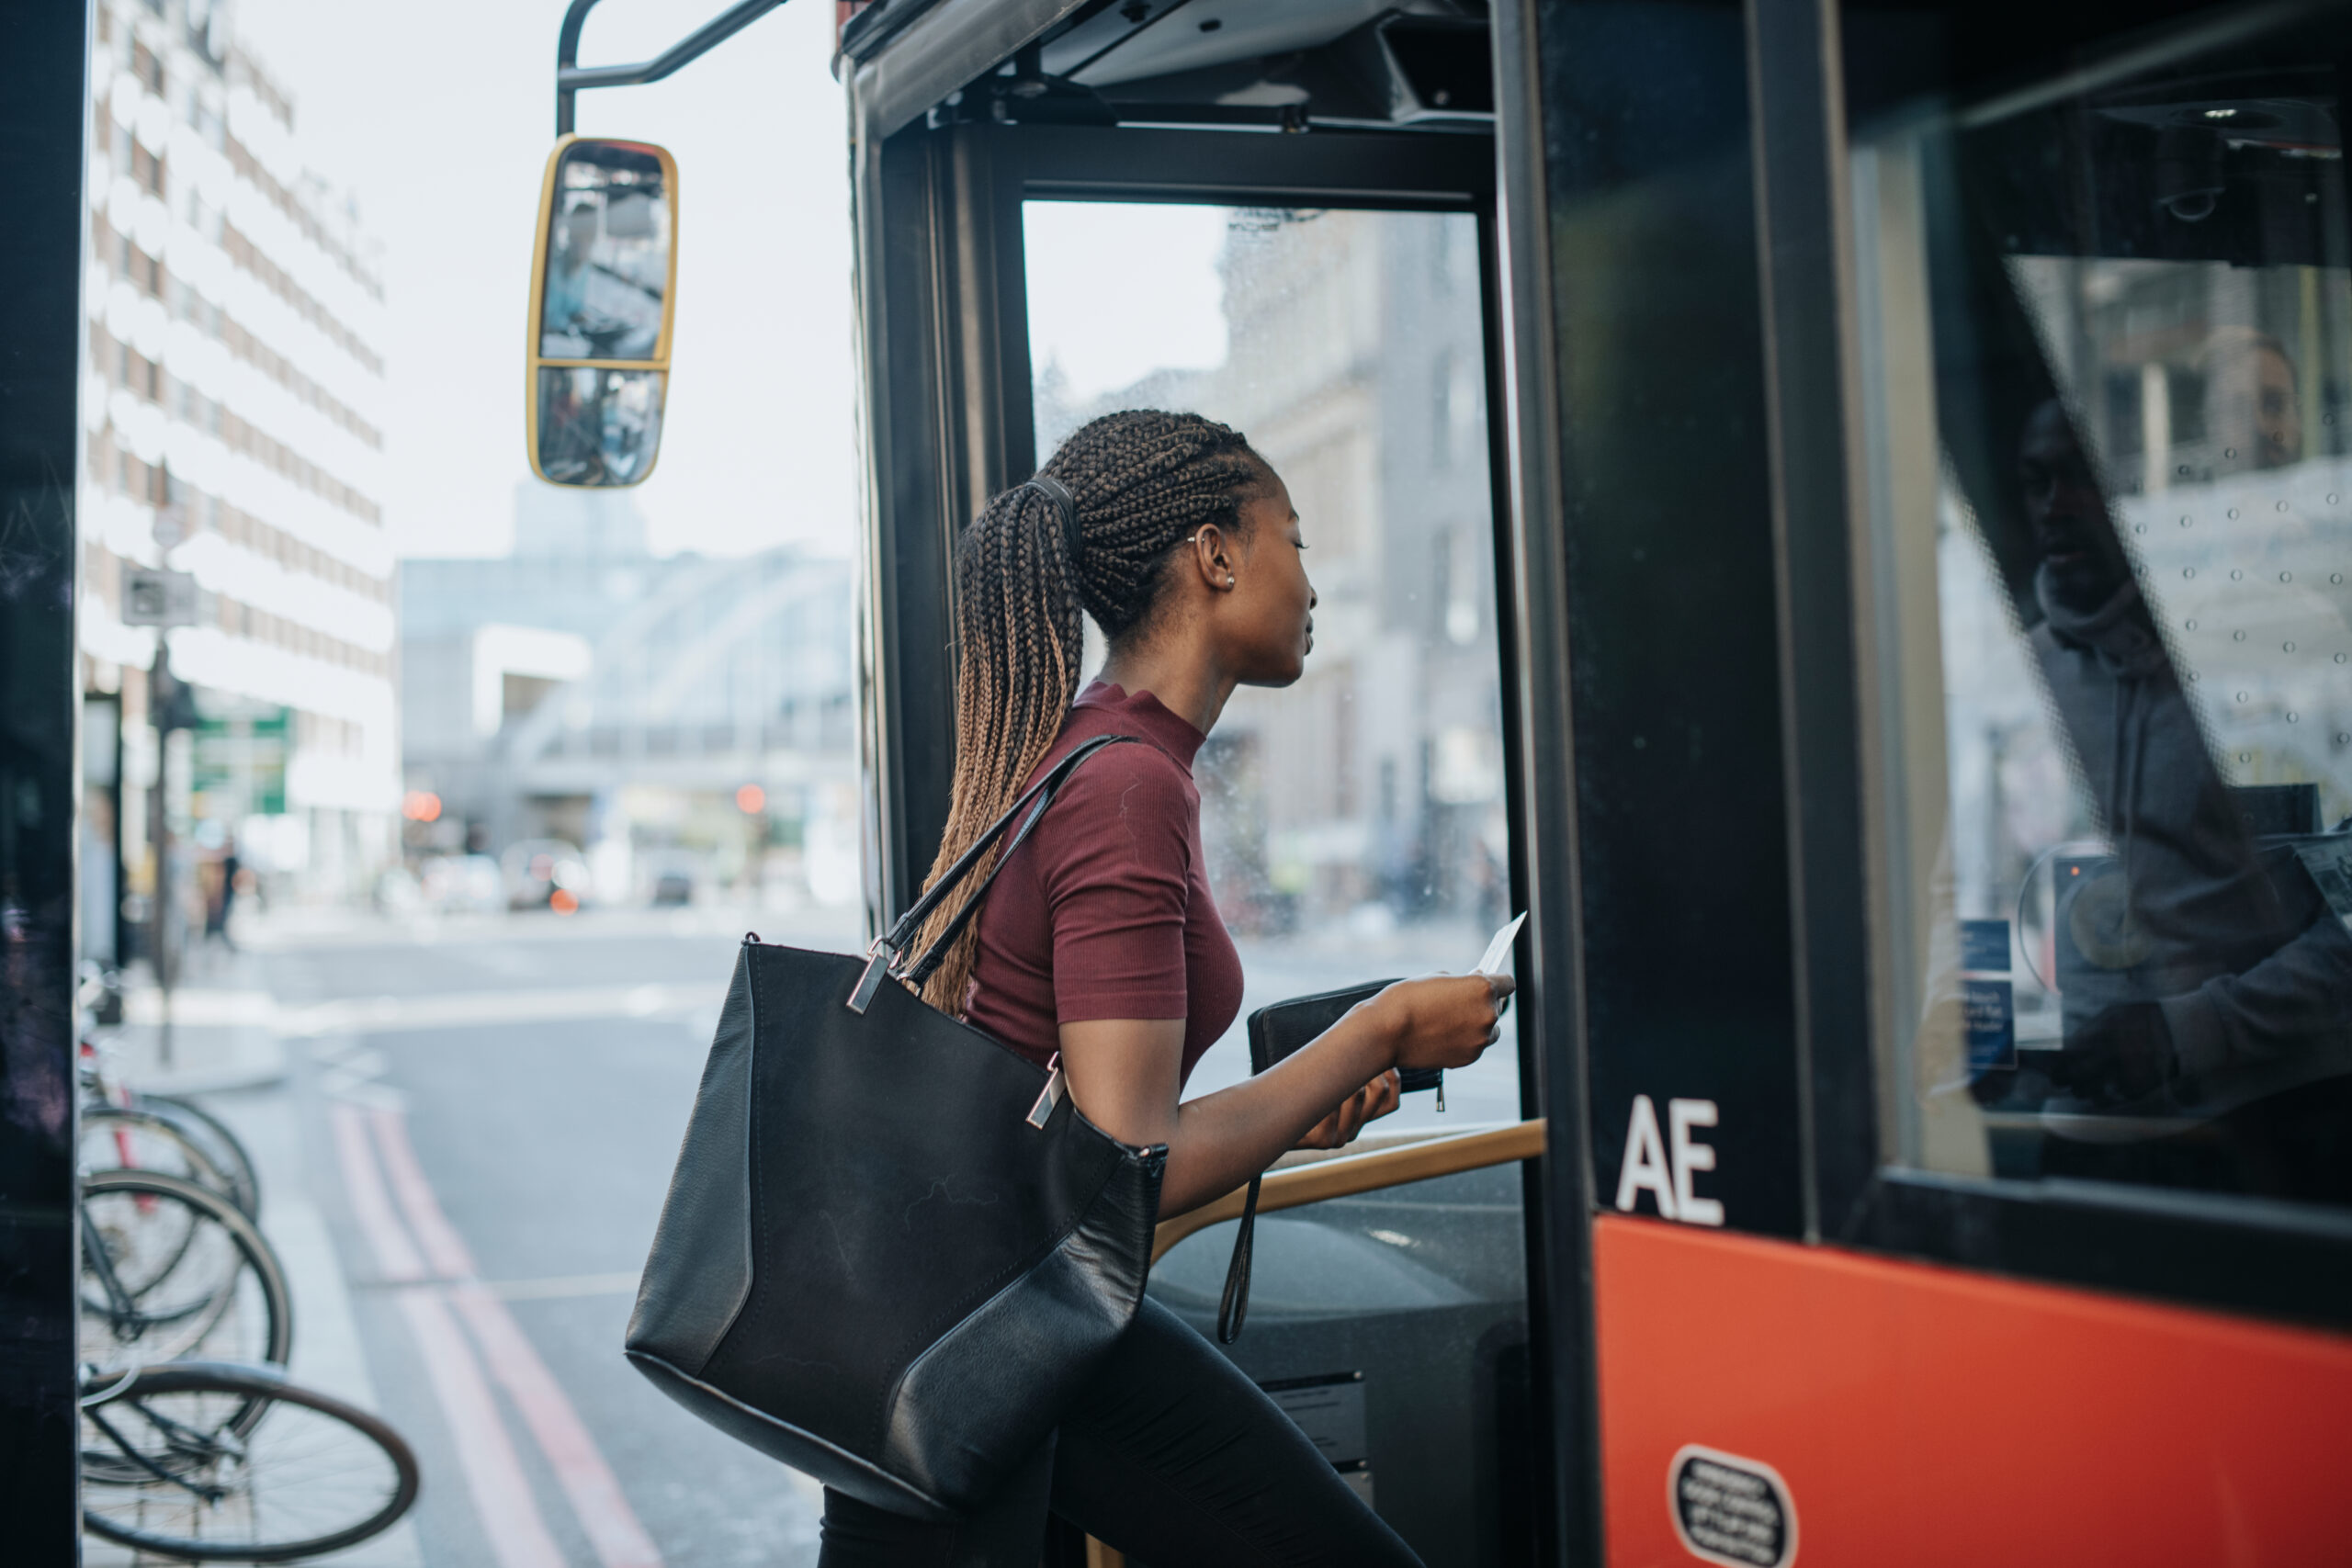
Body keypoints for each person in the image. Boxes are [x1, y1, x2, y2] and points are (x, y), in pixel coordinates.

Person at [818, 410, 1510, 1568]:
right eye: (1293, 537)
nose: (1313, 582)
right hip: (1009, 1328)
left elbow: (1103, 1135)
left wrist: (1298, 1106)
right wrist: (1379, 1026)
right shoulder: (1127, 784)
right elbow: (1130, 1156)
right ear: (1216, 554)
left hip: (987, 1314)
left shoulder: (1102, 752)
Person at [2011, 399, 2352, 1196]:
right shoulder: (2015, 677)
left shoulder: (2287, 655)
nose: (2054, 505)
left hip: (2279, 1131)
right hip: (2078, 1141)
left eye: (2080, 480)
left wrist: (2190, 1030)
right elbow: (1952, 898)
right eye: (2036, 482)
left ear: (2143, 490)